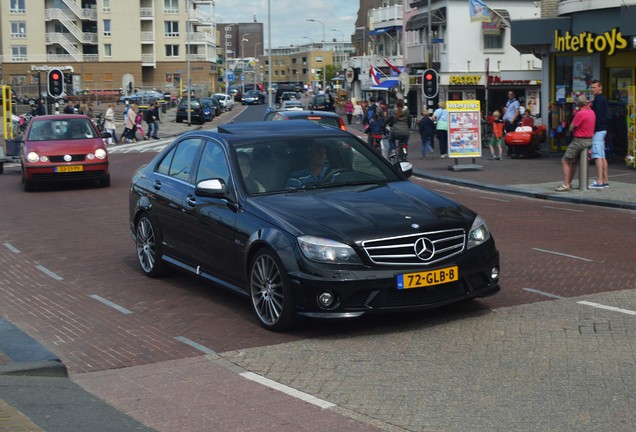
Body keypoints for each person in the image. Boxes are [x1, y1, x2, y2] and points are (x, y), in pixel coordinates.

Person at [555, 95, 596, 192]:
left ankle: (566, 184)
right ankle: (569, 182)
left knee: (565, 160)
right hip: (589, 139)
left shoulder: (580, 114)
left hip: (579, 140)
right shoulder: (592, 112)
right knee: (573, 162)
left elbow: (571, 127)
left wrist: (575, 115)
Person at [589, 80, 609, 188]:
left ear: (600, 88)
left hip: (598, 130)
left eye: (595, 87)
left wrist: (593, 129)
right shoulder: (600, 99)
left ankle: (600, 180)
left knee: (597, 156)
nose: (593, 89)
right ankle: (605, 180)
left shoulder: (599, 100)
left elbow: (598, 117)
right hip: (602, 130)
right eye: (592, 87)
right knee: (602, 155)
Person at [503, 90, 520, 156]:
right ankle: (509, 151)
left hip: (512, 122)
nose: (509, 95)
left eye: (511, 94)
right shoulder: (508, 102)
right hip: (507, 121)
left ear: (514, 95)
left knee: (513, 137)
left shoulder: (516, 102)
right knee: (508, 136)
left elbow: (517, 112)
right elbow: (507, 111)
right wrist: (504, 117)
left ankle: (514, 151)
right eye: (508, 94)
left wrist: (513, 120)